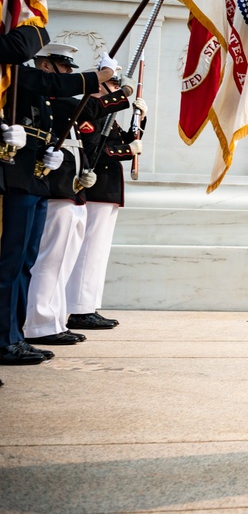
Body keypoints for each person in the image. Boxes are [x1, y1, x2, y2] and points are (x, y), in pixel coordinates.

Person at [1, 30, 117, 365]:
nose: (66, 72)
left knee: (25, 263)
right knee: (12, 263)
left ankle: (14, 335)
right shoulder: (16, 74)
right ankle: (6, 338)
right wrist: (101, 78)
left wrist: (47, 151)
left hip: (36, 176)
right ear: (44, 61)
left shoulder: (25, 77)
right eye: (62, 67)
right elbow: (55, 88)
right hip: (15, 177)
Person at [24, 44, 135, 346]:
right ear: (46, 67)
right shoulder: (52, 101)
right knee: (51, 260)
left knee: (64, 260)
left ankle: (54, 320)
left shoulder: (63, 102)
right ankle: (40, 323)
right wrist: (110, 82)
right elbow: (91, 108)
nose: (70, 74)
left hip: (73, 189)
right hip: (56, 188)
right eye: (64, 68)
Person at [65, 69, 143, 331]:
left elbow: (127, 141)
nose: (116, 89)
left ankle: (87, 305)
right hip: (96, 190)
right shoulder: (89, 110)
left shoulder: (109, 117)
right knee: (89, 250)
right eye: (113, 84)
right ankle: (78, 308)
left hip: (108, 192)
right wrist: (126, 150)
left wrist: (139, 120)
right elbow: (94, 150)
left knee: (97, 252)